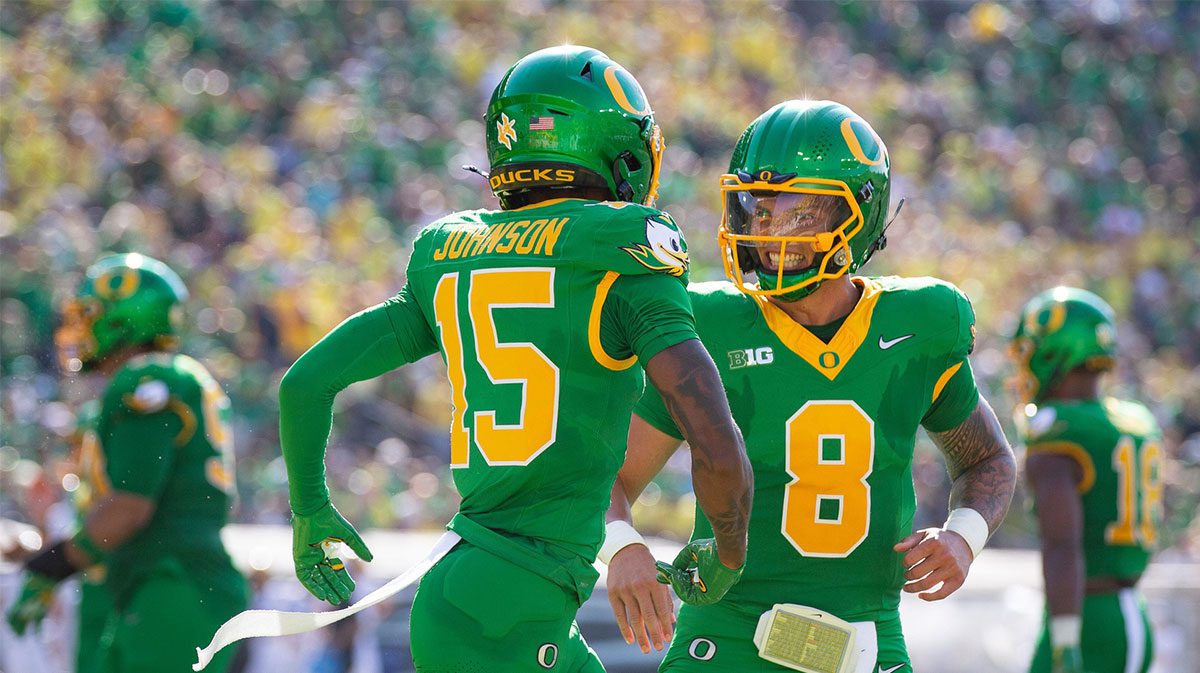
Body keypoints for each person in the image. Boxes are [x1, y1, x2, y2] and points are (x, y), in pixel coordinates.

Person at [278, 45, 753, 673]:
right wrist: (727, 547)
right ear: (614, 145)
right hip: (511, 604)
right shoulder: (621, 244)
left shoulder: (449, 250)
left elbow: (305, 383)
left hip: (482, 591)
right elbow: (710, 428)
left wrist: (310, 508)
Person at [602, 100, 1017, 673]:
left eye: (797, 213)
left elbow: (988, 459)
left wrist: (963, 535)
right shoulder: (710, 324)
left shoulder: (920, 325)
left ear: (858, 215)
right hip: (726, 642)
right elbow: (609, 476)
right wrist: (622, 547)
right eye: (757, 209)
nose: (769, 232)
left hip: (865, 642)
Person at [6, 253, 248, 673]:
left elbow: (129, 507)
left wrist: (52, 566)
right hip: (162, 583)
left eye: (90, 315)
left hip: (172, 583)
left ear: (124, 319)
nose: (79, 329)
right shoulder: (171, 376)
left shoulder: (145, 380)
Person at [1012, 287, 1163, 673]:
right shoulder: (1135, 420)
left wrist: (1065, 639)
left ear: (1054, 353)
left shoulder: (1060, 429)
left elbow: (1062, 545)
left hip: (1086, 619)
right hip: (1128, 610)